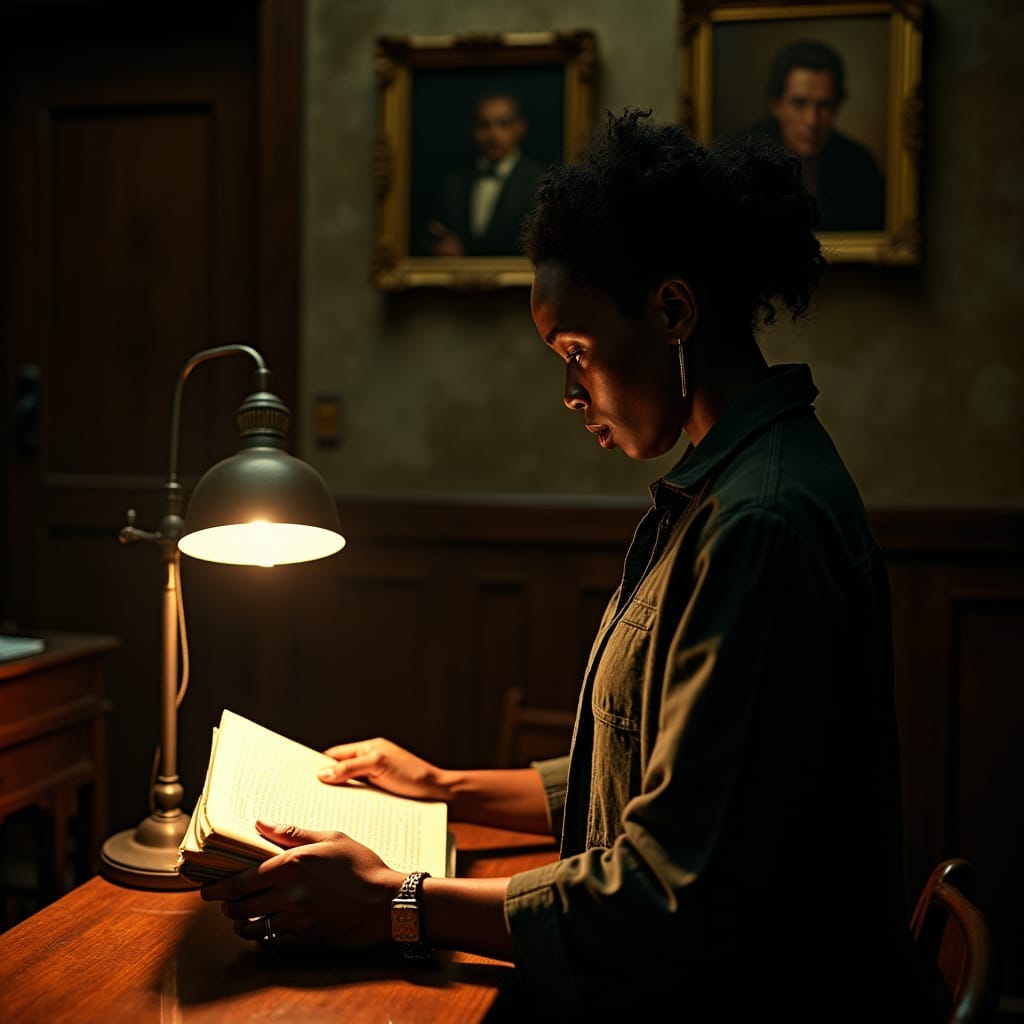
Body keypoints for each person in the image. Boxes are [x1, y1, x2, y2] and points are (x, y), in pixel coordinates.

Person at [202, 110, 936, 1020]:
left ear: (673, 311)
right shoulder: (726, 488)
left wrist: (395, 902)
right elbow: (660, 766)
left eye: (577, 354)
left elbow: (671, 895)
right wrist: (443, 785)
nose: (569, 394)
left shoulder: (763, 522)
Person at [745, 39, 885, 231]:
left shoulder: (859, 166)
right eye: (799, 103)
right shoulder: (743, 161)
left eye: (824, 105)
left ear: (837, 106)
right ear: (776, 105)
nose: (812, 120)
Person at [416, 91, 545, 257]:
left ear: (520, 127)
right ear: (473, 129)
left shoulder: (540, 181)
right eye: (484, 125)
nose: (493, 134)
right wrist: (437, 247)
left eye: (503, 124)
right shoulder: (452, 184)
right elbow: (424, 235)